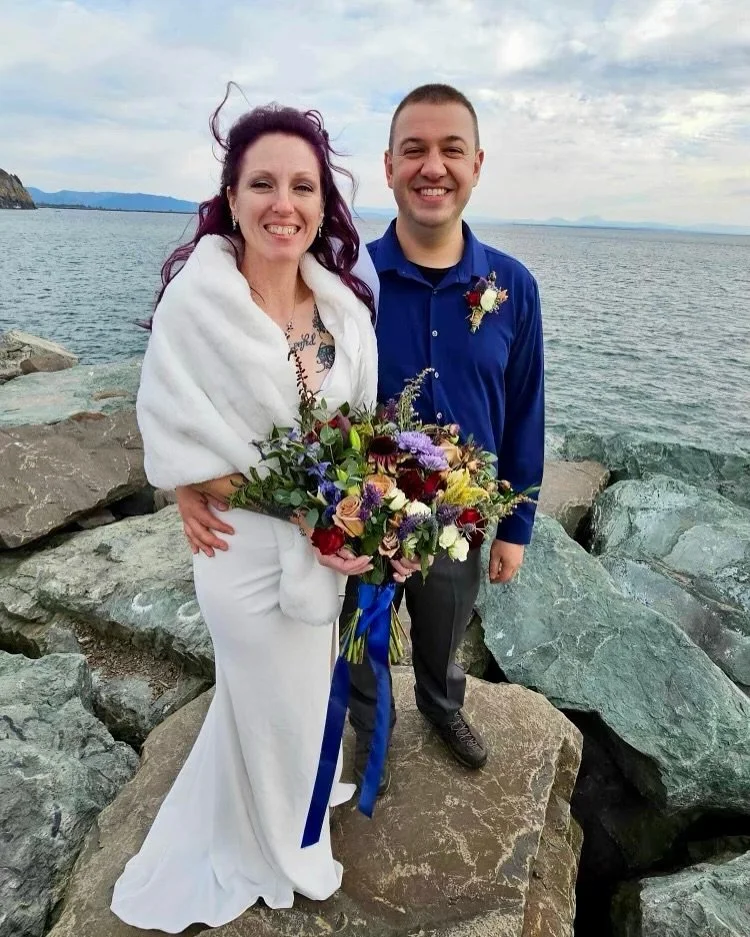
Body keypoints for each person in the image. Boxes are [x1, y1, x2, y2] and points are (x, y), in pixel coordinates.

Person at [177, 84, 545, 799]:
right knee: (359, 639)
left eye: (450, 150)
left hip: (461, 519)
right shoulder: (350, 279)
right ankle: (369, 729)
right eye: (414, 149)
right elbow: (266, 383)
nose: (431, 166)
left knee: (444, 625)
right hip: (356, 514)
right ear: (387, 166)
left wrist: (516, 527)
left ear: (477, 164)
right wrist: (186, 476)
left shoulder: (514, 285)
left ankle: (443, 707)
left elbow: (526, 405)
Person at [110, 95, 403, 932]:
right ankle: (286, 846)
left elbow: (366, 438)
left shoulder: (343, 309)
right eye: (264, 184)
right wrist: (182, 487)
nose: (285, 203)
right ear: (232, 197)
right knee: (271, 695)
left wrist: (362, 527)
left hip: (322, 556)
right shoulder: (197, 306)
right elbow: (167, 417)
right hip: (239, 550)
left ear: (323, 204)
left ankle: (287, 799)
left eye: (303, 186)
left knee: (298, 696)